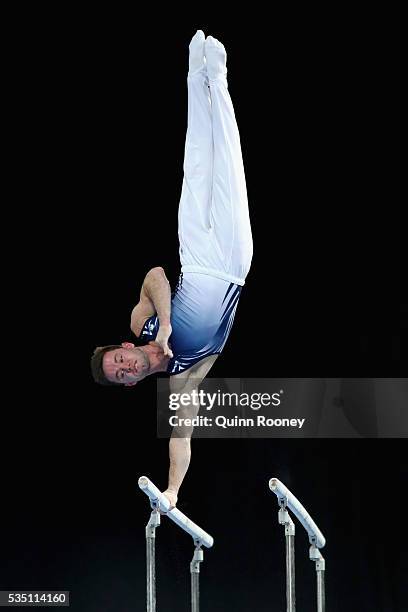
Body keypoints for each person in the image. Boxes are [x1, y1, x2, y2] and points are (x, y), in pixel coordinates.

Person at [91, 31, 253, 507]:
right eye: (121, 375)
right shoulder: (184, 378)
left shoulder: (140, 322)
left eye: (116, 361)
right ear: (132, 384)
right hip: (232, 266)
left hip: (194, 256)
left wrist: (160, 331)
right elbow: (180, 440)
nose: (123, 368)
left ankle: (193, 74)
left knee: (197, 164)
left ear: (124, 348)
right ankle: (218, 80)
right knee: (230, 169)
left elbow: (157, 275)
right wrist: (173, 492)